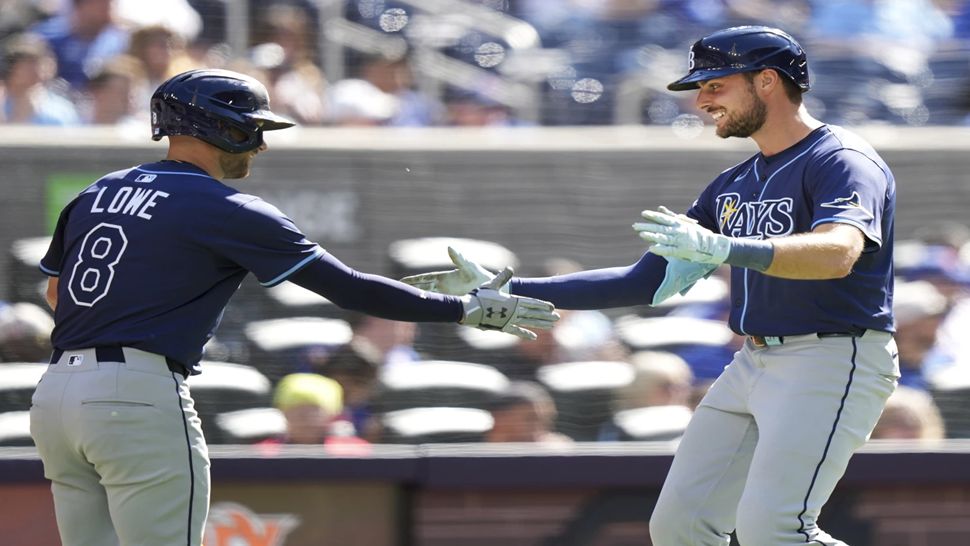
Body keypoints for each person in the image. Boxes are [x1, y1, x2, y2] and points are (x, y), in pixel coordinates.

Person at [403, 26, 898, 546]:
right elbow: (645, 280)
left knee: (774, 531)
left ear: (768, 81)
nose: (702, 101)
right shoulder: (732, 182)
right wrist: (513, 286)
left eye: (715, 85)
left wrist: (728, 250)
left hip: (833, 355)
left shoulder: (841, 158)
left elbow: (839, 253)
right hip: (754, 361)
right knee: (680, 528)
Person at [29, 68, 559, 546]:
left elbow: (56, 294)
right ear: (215, 127)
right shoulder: (227, 207)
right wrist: (463, 309)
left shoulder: (99, 189)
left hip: (55, 396)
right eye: (249, 129)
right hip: (135, 396)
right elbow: (349, 288)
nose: (258, 145)